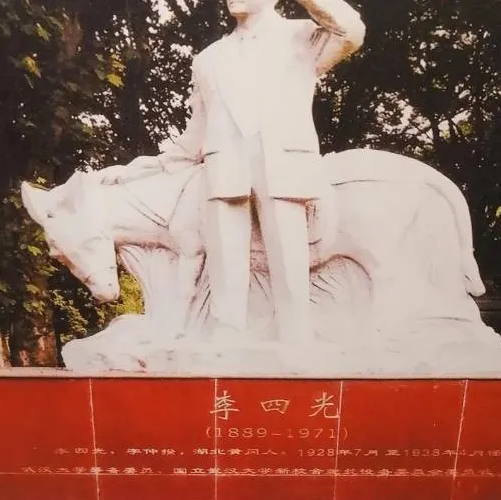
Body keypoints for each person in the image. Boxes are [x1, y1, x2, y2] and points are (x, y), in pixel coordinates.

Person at [106, 0, 365, 342]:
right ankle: (225, 343)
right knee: (225, 265)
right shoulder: (209, 58)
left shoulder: (303, 36)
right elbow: (194, 136)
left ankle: (296, 340)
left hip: (283, 163)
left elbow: (351, 30)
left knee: (289, 262)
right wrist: (142, 170)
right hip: (225, 166)